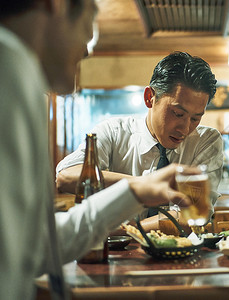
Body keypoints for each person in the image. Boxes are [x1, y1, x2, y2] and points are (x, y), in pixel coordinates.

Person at [0, 1, 193, 299]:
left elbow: (32, 246)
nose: (88, 49)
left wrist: (135, 193)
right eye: (90, 18)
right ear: (58, 5)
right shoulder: (9, 71)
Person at [55, 51, 223, 229]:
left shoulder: (206, 140)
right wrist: (143, 185)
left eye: (195, 118)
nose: (185, 128)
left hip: (178, 252)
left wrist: (130, 230)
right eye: (178, 113)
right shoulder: (113, 131)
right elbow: (65, 177)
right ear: (149, 98)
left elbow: (192, 214)